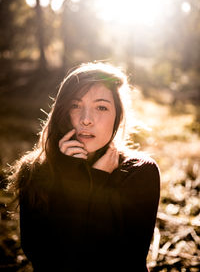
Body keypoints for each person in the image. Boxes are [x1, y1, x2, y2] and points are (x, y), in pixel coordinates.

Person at [8, 62, 160, 272]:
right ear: (63, 112)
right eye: (75, 105)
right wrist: (72, 175)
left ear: (118, 116)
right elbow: (44, 257)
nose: (86, 119)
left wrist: (97, 181)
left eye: (101, 107)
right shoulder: (35, 170)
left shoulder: (139, 172)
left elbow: (125, 259)